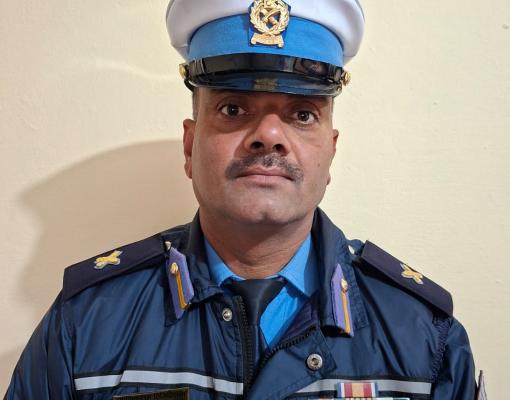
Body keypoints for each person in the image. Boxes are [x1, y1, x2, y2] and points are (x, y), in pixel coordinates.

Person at [5, 0, 482, 399]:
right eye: (233, 109)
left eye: (302, 114)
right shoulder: (87, 323)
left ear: (331, 152)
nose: (268, 136)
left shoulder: (424, 338)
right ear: (189, 146)